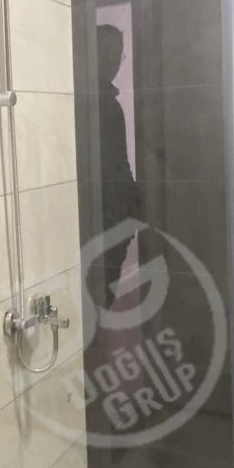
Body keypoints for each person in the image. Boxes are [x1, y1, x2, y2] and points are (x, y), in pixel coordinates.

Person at [96, 23, 139, 301]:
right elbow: (117, 166)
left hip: (111, 216)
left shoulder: (104, 103)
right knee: (101, 299)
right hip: (108, 218)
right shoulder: (106, 107)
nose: (116, 62)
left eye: (119, 54)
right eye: (111, 53)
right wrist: (130, 208)